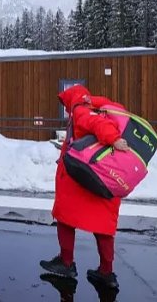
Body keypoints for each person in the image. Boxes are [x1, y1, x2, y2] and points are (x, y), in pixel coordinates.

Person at [40, 84, 129, 290]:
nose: (65, 108)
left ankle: (66, 262)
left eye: (65, 102)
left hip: (78, 182)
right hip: (101, 180)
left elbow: (95, 123)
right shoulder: (102, 107)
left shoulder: (81, 111)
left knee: (65, 219)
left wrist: (113, 139)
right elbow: (102, 115)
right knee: (104, 228)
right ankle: (106, 272)